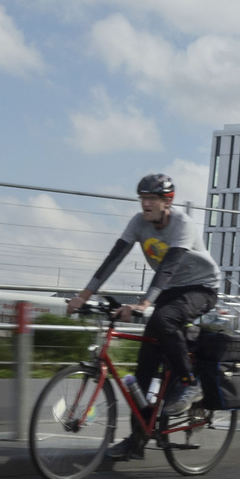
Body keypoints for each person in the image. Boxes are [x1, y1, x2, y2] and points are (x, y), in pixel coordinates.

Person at [69, 174, 222, 461]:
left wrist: (144, 303)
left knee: (164, 320)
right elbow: (114, 258)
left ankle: (190, 383)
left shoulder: (183, 224)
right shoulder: (138, 223)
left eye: (152, 199)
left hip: (201, 287)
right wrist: (83, 296)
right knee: (142, 372)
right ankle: (137, 440)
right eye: (143, 199)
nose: (146, 204)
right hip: (171, 289)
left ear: (168, 202)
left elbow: (168, 267)